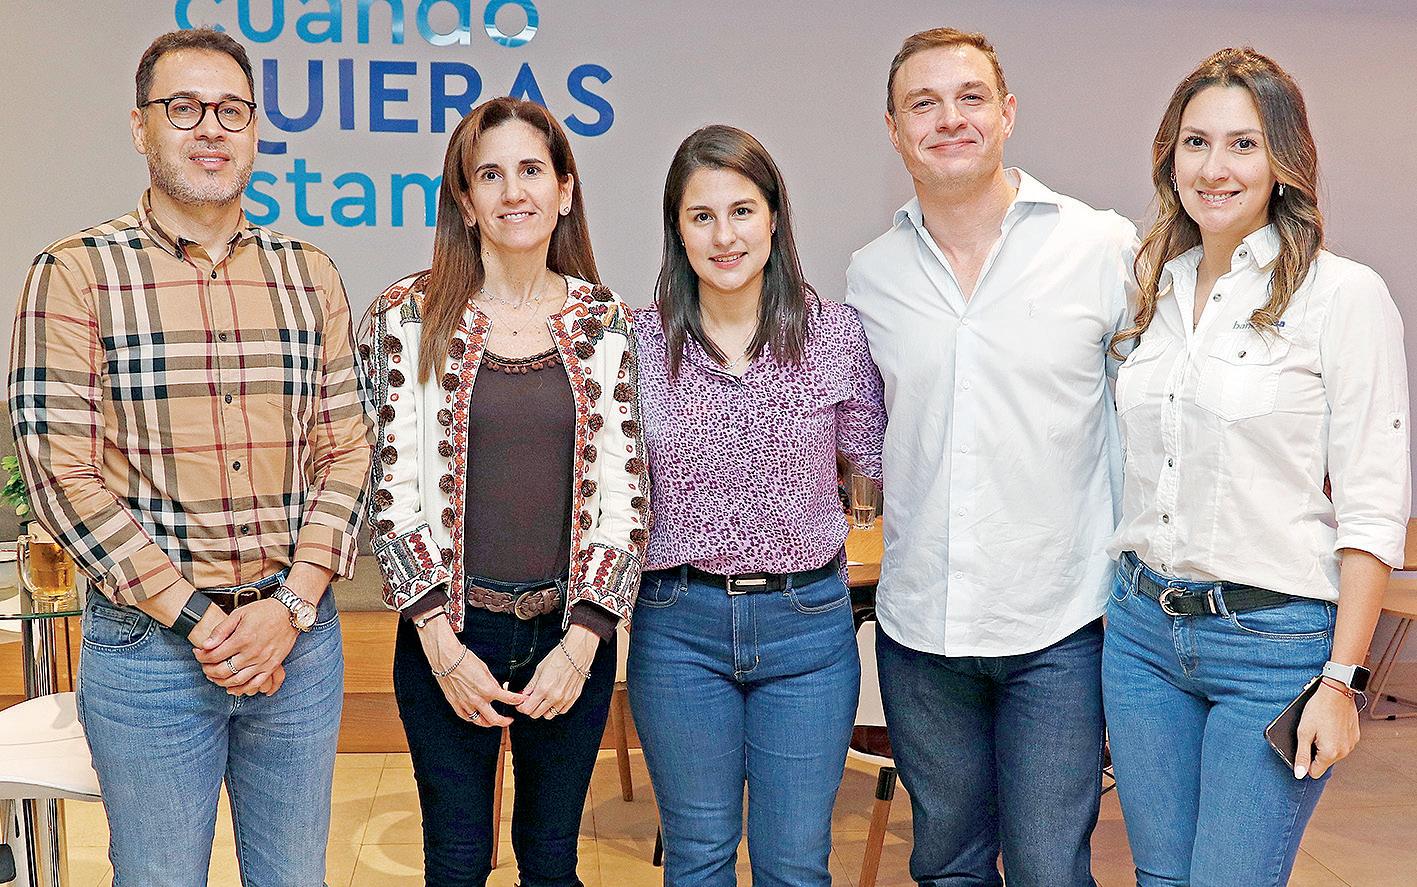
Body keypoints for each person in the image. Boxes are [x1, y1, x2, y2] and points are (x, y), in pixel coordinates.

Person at [7, 27, 371, 886]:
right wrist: (201, 620)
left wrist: (291, 603)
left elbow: (348, 448)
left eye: (232, 110)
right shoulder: (76, 273)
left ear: (255, 131)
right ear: (141, 126)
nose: (211, 127)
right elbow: (61, 474)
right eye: (184, 107)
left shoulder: (309, 274)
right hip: (150, 653)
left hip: (297, 644)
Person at [1103, 47, 1410, 886]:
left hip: (1271, 647)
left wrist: (1342, 681)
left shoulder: (1341, 296)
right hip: (1140, 635)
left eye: (1243, 144)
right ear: (1170, 156)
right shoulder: (1151, 289)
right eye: (1195, 142)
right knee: (1161, 878)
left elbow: (1372, 504)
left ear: (1283, 160)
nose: (1216, 167)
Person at [845, 27, 1139, 887]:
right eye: (923, 103)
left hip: (1059, 626)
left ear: (1007, 113)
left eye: (969, 97)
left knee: (1049, 868)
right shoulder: (871, 275)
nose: (949, 119)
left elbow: (1152, 427)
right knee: (945, 865)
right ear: (892, 129)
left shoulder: (1100, 248)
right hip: (919, 629)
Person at [360, 96, 648, 887]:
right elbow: (387, 491)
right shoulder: (405, 316)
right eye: (489, 175)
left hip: (569, 636)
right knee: (455, 864)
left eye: (530, 170)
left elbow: (627, 494)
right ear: (464, 199)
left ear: (564, 188)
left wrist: (582, 643)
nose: (512, 191)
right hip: (446, 636)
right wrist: (440, 643)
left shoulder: (603, 320)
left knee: (552, 863)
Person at [627, 124, 886, 887]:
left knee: (794, 864)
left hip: (806, 628)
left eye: (741, 210)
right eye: (701, 216)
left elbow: (876, 466)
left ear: (774, 216)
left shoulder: (834, 334)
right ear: (677, 229)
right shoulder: (638, 343)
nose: (724, 235)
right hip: (679, 625)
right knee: (698, 856)